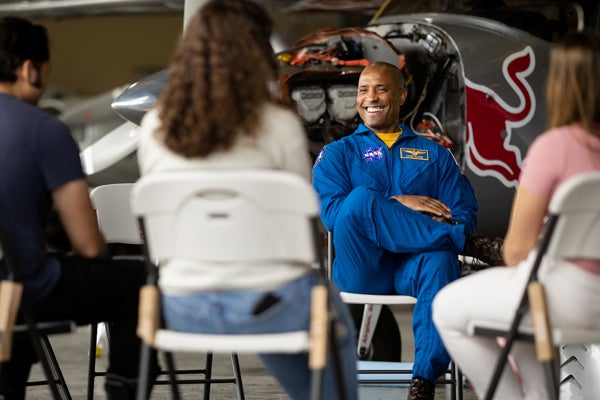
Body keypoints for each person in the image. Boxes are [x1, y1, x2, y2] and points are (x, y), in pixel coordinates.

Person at [135, 1, 358, 399]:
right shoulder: (278, 126)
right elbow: (306, 220)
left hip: (181, 305)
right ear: (257, 55)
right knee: (328, 316)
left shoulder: (154, 126)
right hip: (268, 304)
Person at [432, 29, 600, 399]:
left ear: (560, 85)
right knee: (519, 314)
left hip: (567, 297)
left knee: (446, 308)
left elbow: (516, 251)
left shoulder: (555, 147)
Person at [0, 16, 158, 400]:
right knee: (139, 281)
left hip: (8, 294)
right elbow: (89, 246)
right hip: (20, 288)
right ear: (29, 70)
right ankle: (123, 390)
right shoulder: (43, 129)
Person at [312, 61, 480, 400]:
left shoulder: (435, 154)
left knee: (439, 263)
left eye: (381, 89)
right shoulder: (337, 154)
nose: (370, 97)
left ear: (401, 95)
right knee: (358, 201)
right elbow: (333, 216)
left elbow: (461, 213)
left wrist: (452, 228)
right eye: (363, 90)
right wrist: (399, 203)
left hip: (412, 267)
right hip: (363, 267)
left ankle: (423, 383)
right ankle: (473, 246)